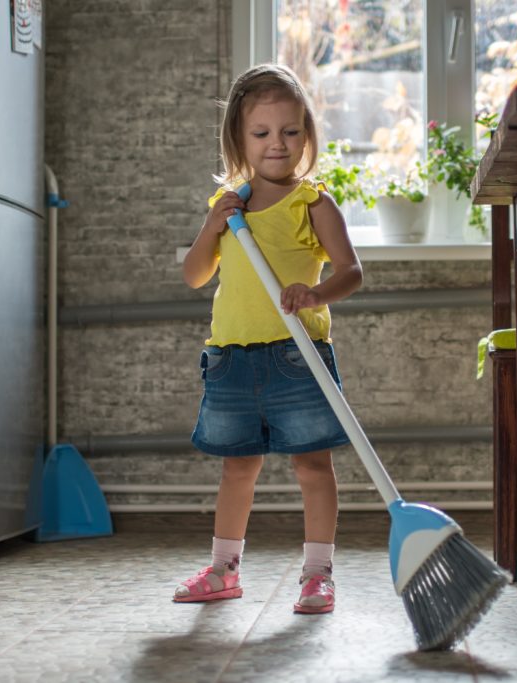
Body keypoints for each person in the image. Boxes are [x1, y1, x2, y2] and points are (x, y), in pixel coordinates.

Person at [175, 64, 363, 614]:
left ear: (307, 134)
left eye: (290, 131)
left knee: (312, 466)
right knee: (238, 467)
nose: (277, 144)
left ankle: (317, 574)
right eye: (261, 133)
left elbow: (352, 271)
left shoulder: (314, 204)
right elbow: (193, 274)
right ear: (239, 138)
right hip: (232, 359)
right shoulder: (227, 208)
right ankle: (223, 571)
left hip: (296, 358)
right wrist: (212, 226)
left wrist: (317, 294)